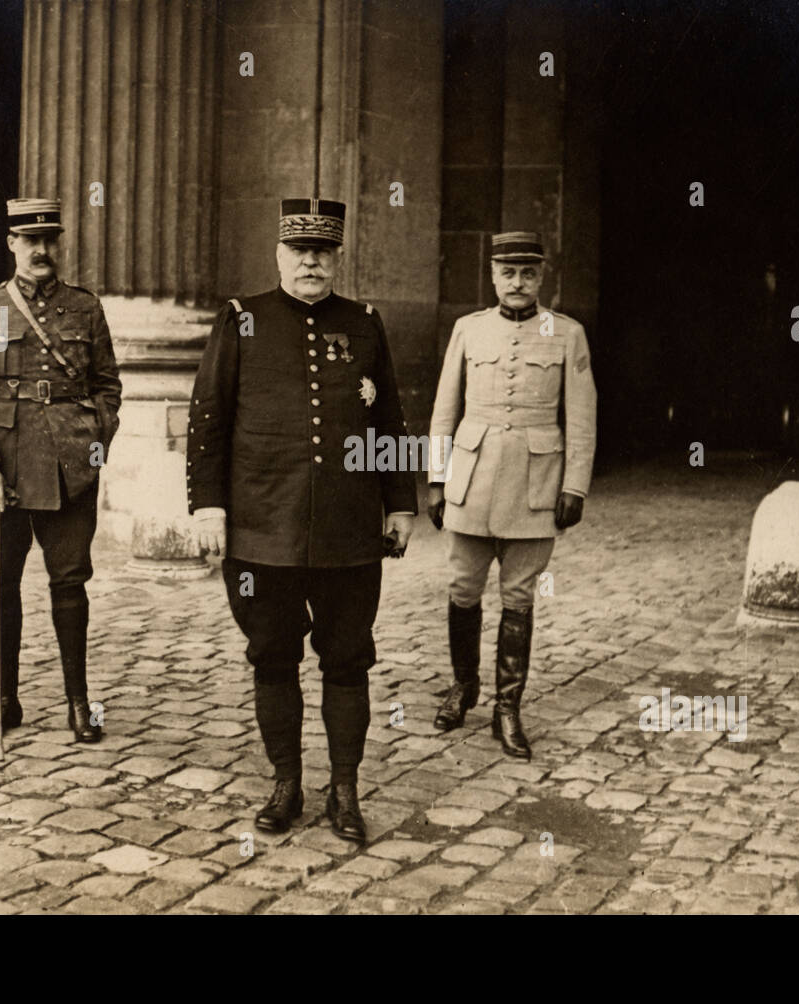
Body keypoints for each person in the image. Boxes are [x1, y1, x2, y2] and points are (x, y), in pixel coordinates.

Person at [187, 198, 417, 844]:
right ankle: (286, 781)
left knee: (347, 660)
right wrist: (209, 506)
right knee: (273, 656)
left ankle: (344, 790)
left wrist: (400, 502)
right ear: (279, 255)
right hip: (263, 531)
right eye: (299, 250)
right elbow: (208, 418)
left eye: (323, 251)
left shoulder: (366, 324)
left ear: (337, 257)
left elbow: (391, 421)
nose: (311, 261)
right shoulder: (242, 320)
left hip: (348, 535)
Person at [0, 198, 121, 743]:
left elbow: (108, 387)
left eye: (50, 239)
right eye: (31, 240)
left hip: (70, 469)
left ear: (59, 243)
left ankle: (78, 703)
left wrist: (93, 439)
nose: (42, 250)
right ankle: (5, 702)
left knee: (70, 583)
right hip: (2, 472)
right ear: (12, 245)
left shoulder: (85, 308)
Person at [427, 231, 597, 760]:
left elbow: (582, 417)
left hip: (534, 485)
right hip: (471, 481)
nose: (517, 282)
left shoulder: (567, 335)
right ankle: (463, 687)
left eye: (528, 273)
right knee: (462, 588)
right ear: (493, 276)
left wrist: (574, 485)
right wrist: (436, 479)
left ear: (542, 276)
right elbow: (443, 410)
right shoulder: (469, 330)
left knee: (519, 598)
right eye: (507, 272)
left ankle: (507, 706)